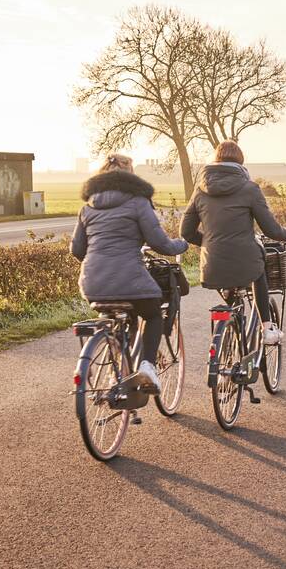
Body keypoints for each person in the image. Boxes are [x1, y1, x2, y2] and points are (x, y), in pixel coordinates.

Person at [70, 154, 190, 391]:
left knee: (124, 318)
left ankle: (120, 372)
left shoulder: (87, 208)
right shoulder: (138, 202)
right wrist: (182, 244)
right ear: (130, 176)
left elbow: (77, 250)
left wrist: (99, 260)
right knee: (153, 314)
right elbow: (160, 244)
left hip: (93, 284)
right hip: (130, 280)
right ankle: (147, 366)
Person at [180, 140, 286, 345]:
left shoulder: (200, 189)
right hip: (245, 261)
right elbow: (270, 229)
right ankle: (267, 328)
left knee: (232, 295)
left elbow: (186, 232)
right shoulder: (249, 189)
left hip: (212, 265)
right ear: (240, 164)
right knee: (259, 267)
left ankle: (230, 332)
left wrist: (209, 242)